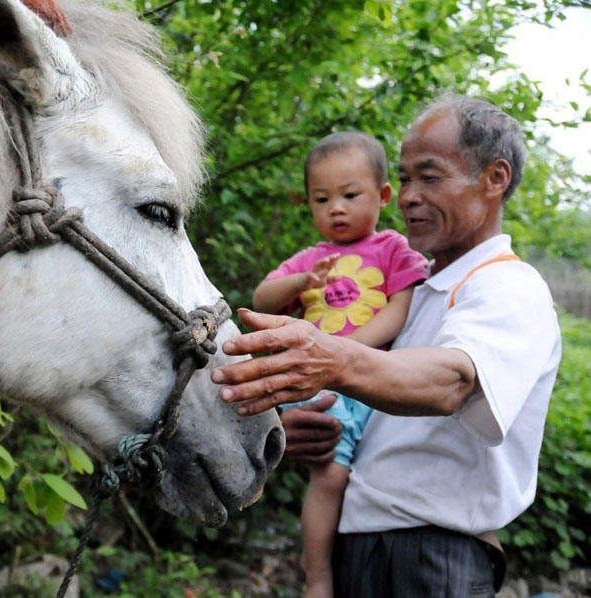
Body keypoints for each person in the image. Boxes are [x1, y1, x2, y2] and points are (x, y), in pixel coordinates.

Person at [211, 94, 561, 597]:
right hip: (360, 544)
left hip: (433, 557)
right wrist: (312, 427)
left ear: (495, 178)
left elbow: (452, 380)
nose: (410, 196)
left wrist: (331, 358)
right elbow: (377, 408)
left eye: (430, 176)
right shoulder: (415, 293)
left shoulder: (506, 286)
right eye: (407, 178)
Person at [251, 131, 427, 598]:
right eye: (322, 198)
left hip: (374, 377)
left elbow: (399, 308)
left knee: (372, 473)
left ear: (383, 196)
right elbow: (261, 298)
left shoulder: (392, 247)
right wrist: (299, 282)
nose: (336, 208)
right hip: (322, 384)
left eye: (351, 195)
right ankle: (318, 578)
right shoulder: (311, 258)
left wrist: (349, 353)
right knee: (329, 475)